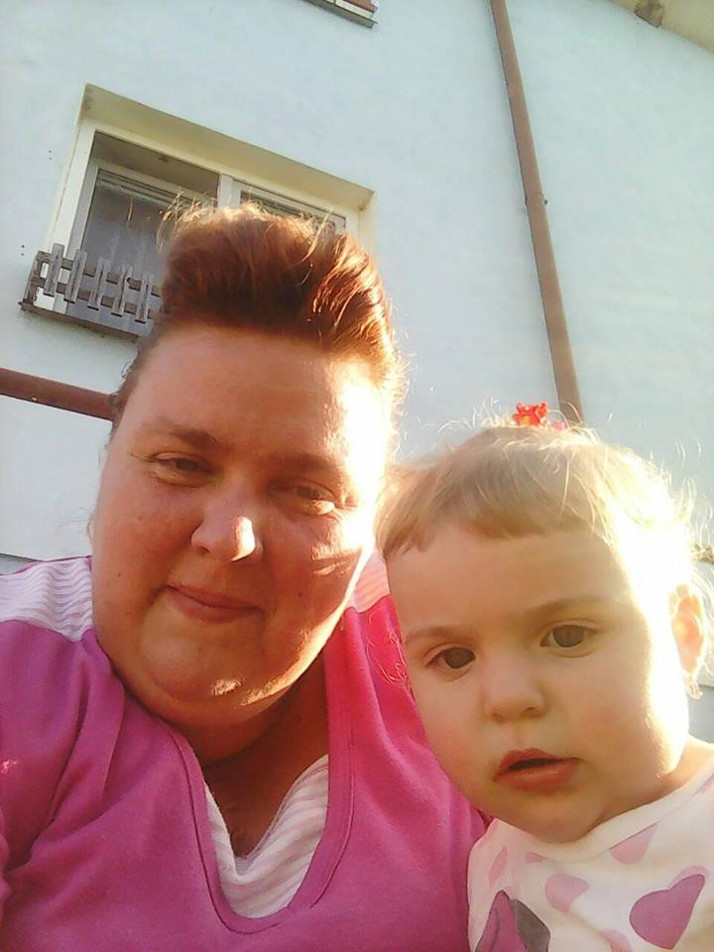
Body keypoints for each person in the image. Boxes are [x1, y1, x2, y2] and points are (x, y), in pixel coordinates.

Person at [0, 206, 481, 951]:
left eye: (309, 492)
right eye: (181, 464)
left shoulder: (451, 659)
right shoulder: (17, 665)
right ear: (110, 453)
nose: (228, 539)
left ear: (372, 524)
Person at [380, 415, 713, 951]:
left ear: (683, 635)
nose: (508, 698)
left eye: (566, 636)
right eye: (455, 657)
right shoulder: (494, 857)